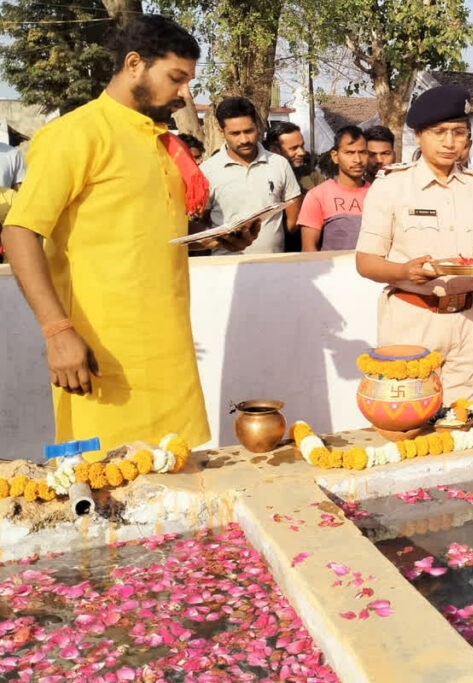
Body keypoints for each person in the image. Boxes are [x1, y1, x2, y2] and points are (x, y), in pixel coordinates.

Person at [0, 14, 258, 449]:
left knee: (177, 483)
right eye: (176, 78)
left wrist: (212, 236)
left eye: (188, 81)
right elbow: (20, 231)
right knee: (112, 491)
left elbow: (147, 228)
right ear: (134, 63)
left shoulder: (161, 141)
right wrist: (58, 332)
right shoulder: (76, 134)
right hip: (100, 355)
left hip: (170, 352)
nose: (184, 93)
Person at [355, 85, 473, 403]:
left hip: (470, 319)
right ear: (419, 135)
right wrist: (406, 271)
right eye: (439, 132)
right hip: (412, 319)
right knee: (408, 421)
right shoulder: (391, 186)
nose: (450, 142)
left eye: (459, 132)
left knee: (463, 422)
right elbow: (366, 262)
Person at [201, 97, 301, 254]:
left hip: (274, 266)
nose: (244, 139)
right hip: (227, 269)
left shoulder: (279, 164)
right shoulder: (207, 170)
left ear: (258, 127)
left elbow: (293, 219)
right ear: (222, 132)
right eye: (235, 133)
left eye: (249, 131)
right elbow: (202, 224)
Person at [297, 125, 369, 251]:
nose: (357, 160)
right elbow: (309, 248)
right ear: (335, 156)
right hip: (333, 269)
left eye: (362, 152)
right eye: (349, 153)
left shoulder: (378, 193)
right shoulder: (317, 196)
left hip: (372, 270)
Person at [266, 120, 324, 193]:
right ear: (274, 150)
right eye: (294, 148)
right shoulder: (265, 178)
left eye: (302, 146)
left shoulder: (311, 174)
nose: (302, 153)